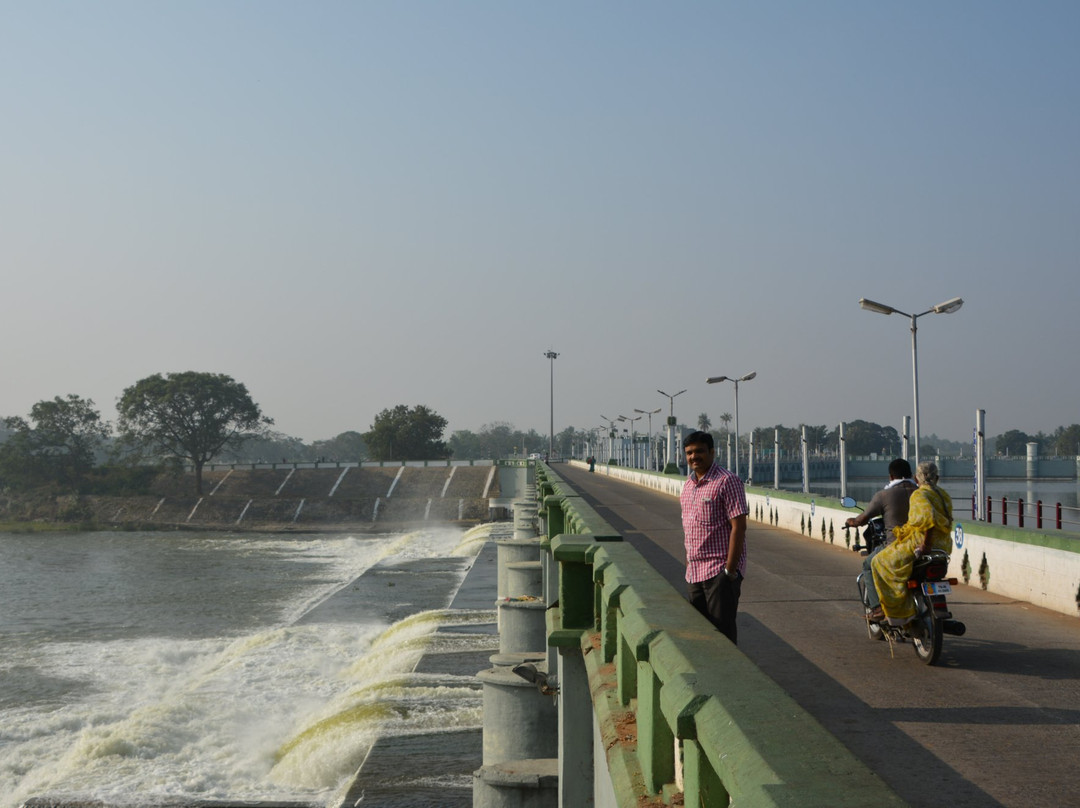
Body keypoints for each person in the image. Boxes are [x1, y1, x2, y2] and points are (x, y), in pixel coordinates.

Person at [680, 430, 748, 644]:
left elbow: (739, 527)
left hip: (718, 572)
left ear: (711, 452)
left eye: (699, 451)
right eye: (689, 452)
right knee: (701, 635)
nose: (694, 457)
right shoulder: (688, 486)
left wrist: (729, 571)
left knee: (723, 635)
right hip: (694, 573)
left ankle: (731, 676)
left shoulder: (727, 481)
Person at [870, 460, 953, 625]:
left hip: (921, 543)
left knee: (878, 561)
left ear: (917, 479)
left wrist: (925, 545)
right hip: (943, 544)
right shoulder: (943, 494)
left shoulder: (919, 494)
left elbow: (928, 520)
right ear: (937, 478)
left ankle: (897, 611)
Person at [845, 458, 917, 616]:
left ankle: (877, 608)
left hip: (895, 546)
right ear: (911, 474)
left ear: (891, 477)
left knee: (868, 565)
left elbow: (862, 519)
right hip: (921, 546)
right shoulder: (921, 493)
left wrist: (852, 522)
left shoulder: (884, 495)